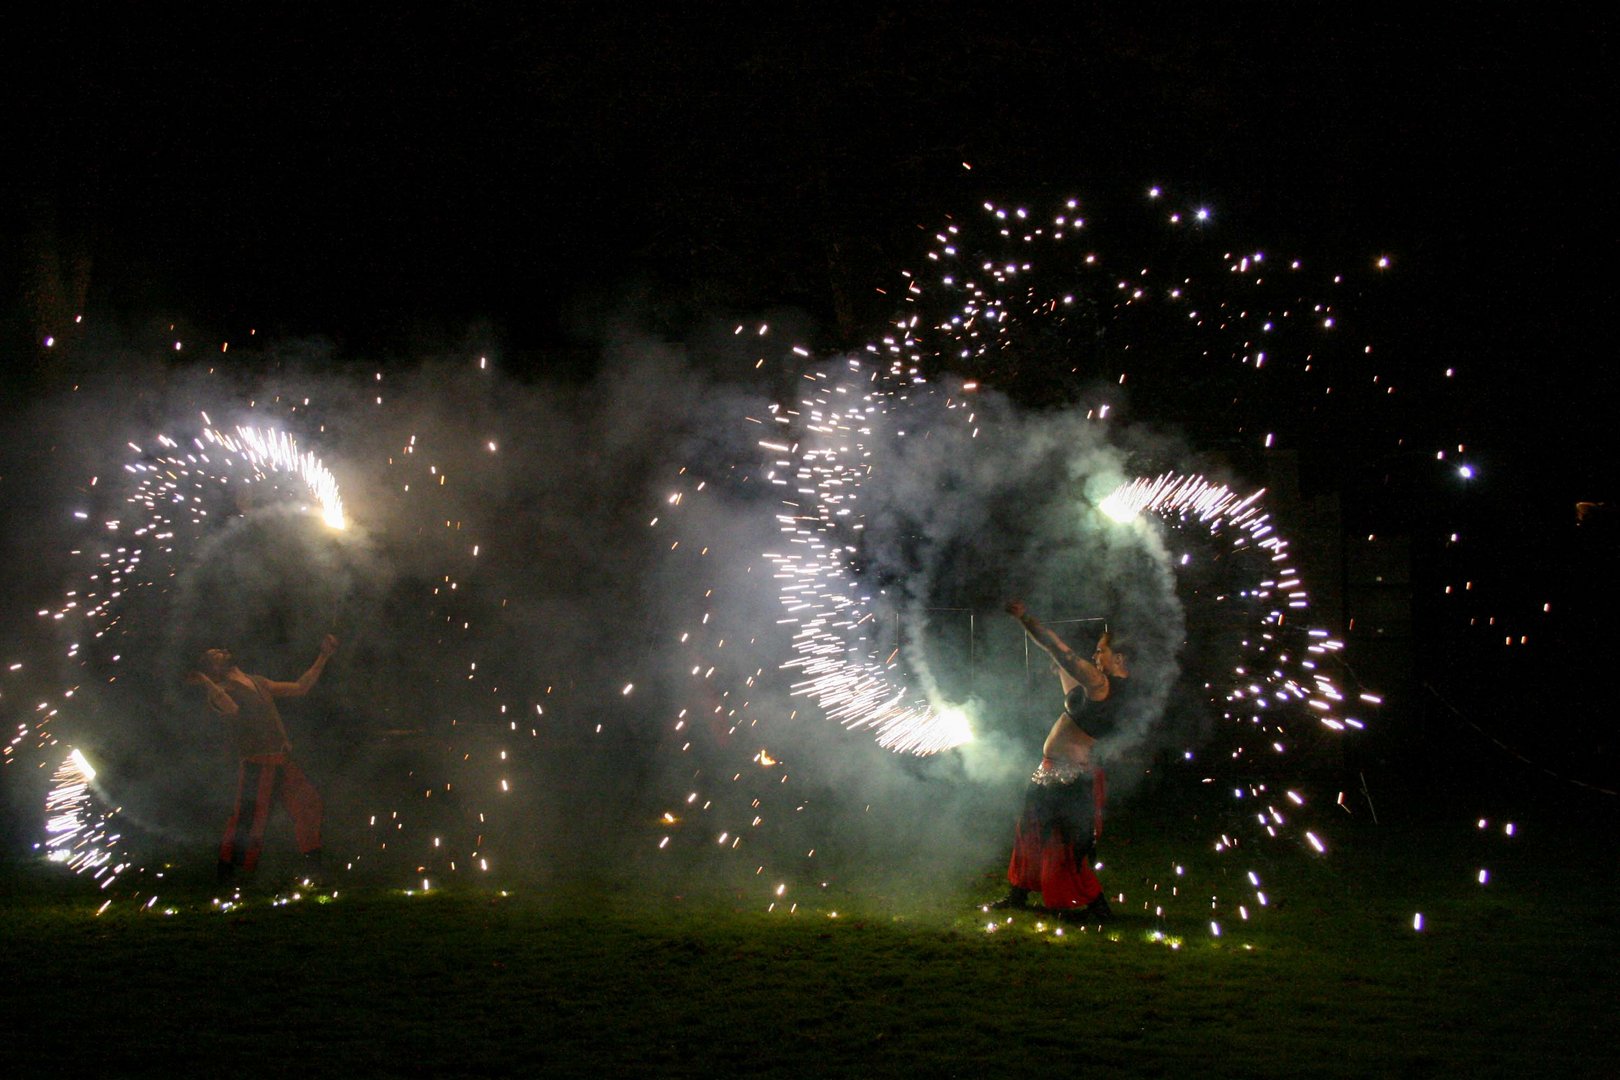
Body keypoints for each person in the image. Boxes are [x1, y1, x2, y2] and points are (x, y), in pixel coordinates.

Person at [989, 600, 1136, 922]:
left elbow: (1062, 652)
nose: (1096, 657)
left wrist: (1025, 618)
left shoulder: (1102, 685)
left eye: (1101, 652)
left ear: (1119, 658)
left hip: (1069, 778)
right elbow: (1071, 691)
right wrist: (1059, 669)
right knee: (1029, 832)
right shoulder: (1100, 689)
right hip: (1051, 771)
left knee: (1067, 845)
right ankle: (1019, 893)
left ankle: (1097, 908)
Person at [186, 635, 337, 887]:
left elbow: (301, 688)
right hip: (257, 762)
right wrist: (206, 682)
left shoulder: (258, 682)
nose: (221, 650)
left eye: (219, 649)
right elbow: (231, 708)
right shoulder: (221, 691)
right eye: (214, 655)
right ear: (213, 669)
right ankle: (227, 876)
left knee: (308, 804)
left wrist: (324, 656)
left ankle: (315, 871)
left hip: (281, 759)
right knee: (248, 819)